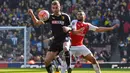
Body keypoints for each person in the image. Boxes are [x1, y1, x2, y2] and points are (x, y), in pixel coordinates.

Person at [28, 0, 72, 73]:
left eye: (56, 7)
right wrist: (32, 14)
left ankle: (69, 67)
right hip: (56, 41)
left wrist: (68, 28)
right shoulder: (49, 17)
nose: (55, 9)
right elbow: (36, 23)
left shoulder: (65, 16)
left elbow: (72, 28)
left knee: (65, 48)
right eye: (53, 8)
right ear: (51, 8)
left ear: (60, 7)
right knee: (46, 61)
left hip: (65, 38)